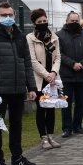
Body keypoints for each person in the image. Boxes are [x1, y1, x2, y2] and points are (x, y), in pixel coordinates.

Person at [0, 2, 37, 165]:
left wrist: (31, 86)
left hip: (18, 88)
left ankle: (17, 156)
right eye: (4, 15)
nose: (8, 18)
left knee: (17, 124)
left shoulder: (20, 35)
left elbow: (26, 62)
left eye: (10, 15)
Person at [56, 11, 83, 138]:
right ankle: (67, 128)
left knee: (80, 102)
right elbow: (59, 54)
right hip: (67, 74)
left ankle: (77, 126)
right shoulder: (59, 35)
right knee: (66, 103)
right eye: (72, 21)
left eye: (76, 21)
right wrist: (72, 63)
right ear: (67, 21)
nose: (74, 23)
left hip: (82, 74)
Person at [26, 8, 62, 150]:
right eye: (39, 21)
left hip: (52, 78)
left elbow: (58, 56)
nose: (43, 23)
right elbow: (32, 60)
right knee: (42, 109)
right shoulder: (30, 38)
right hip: (40, 79)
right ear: (34, 23)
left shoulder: (54, 37)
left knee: (51, 108)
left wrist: (53, 72)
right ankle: (43, 138)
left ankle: (51, 136)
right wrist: (46, 74)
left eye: (45, 20)